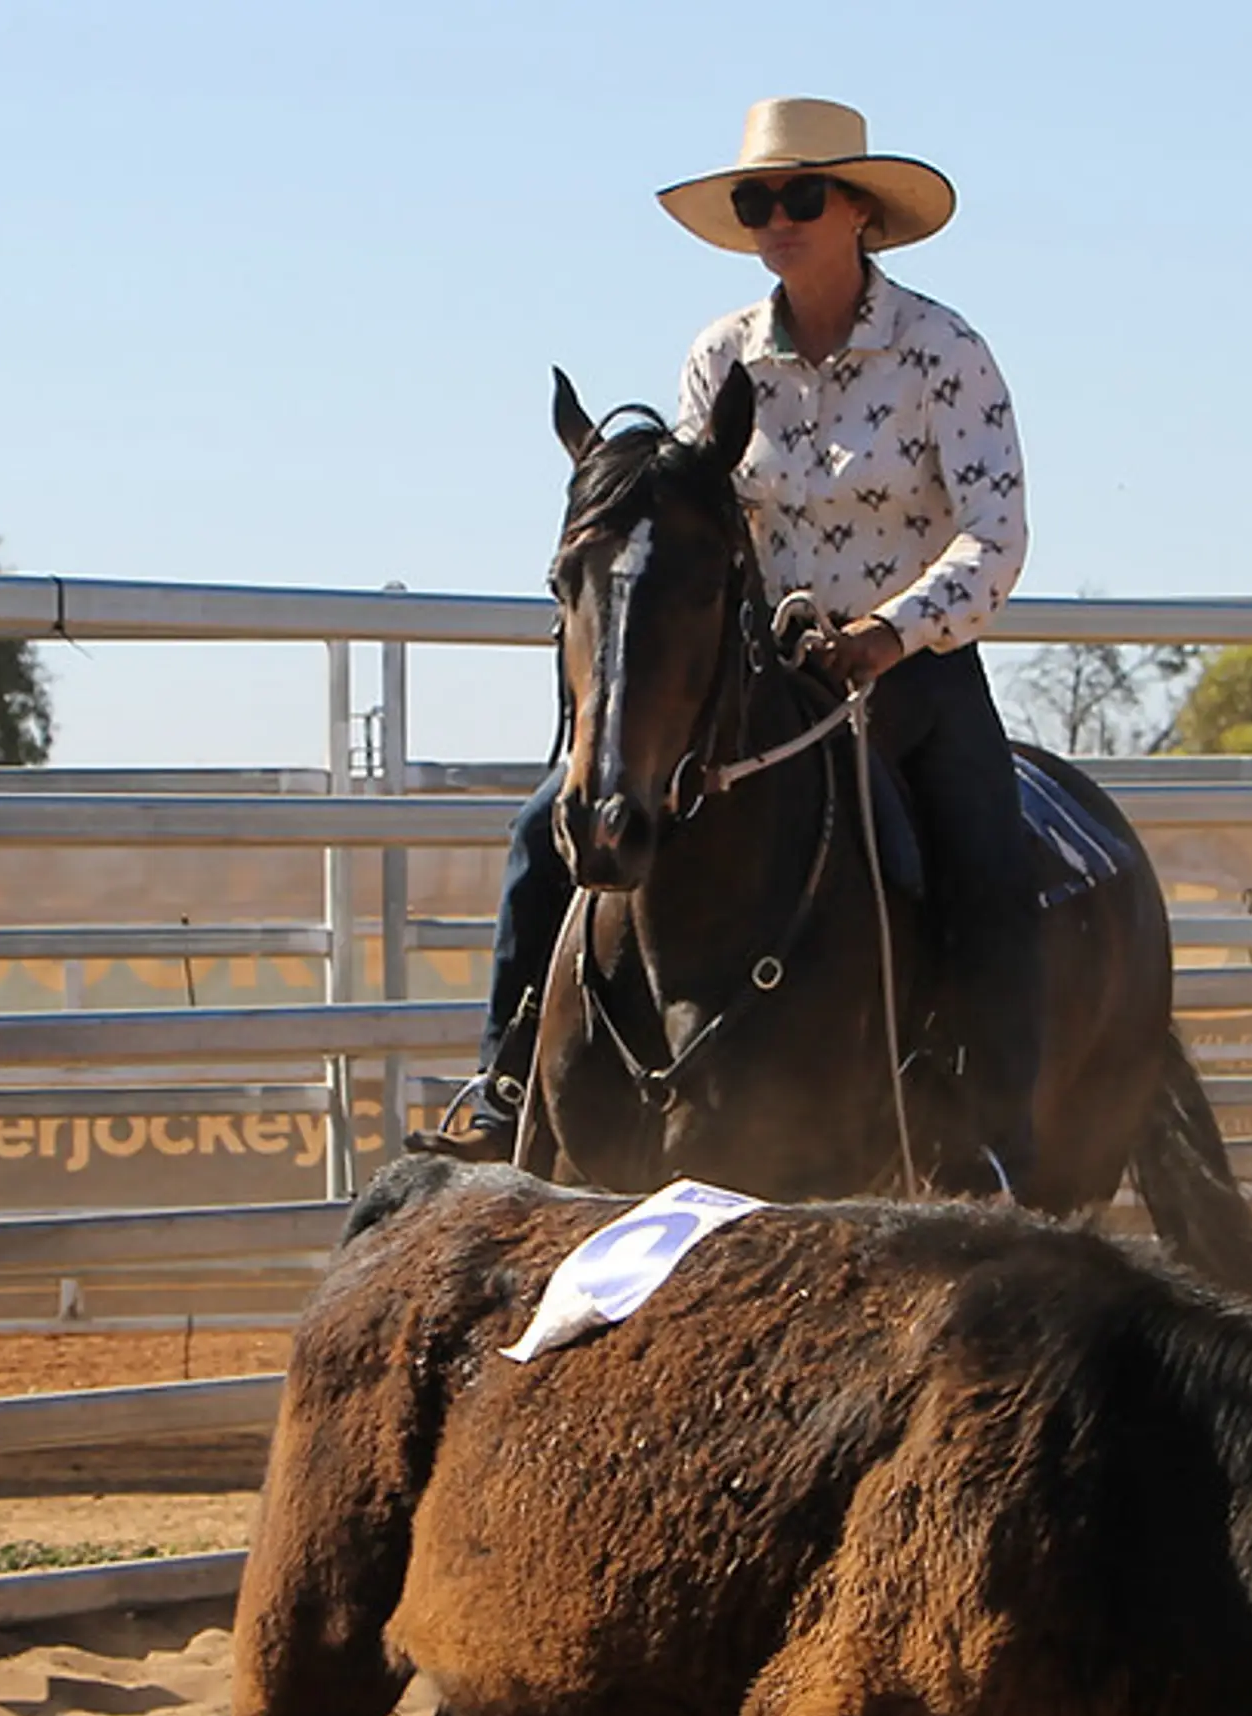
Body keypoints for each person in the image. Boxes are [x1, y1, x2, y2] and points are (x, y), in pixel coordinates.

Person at [418, 97, 1040, 1192]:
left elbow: (993, 535)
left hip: (909, 670)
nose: (776, 218)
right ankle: (504, 1082)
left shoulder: (943, 352)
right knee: (545, 833)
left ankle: (983, 1135)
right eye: (758, 201)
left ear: (858, 213)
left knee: (980, 857)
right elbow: (690, 516)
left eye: (800, 196)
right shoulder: (718, 357)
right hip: (747, 673)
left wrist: (887, 636)